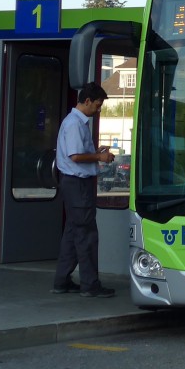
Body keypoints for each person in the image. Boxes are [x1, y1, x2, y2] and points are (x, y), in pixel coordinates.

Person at [52, 82, 117, 297]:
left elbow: (78, 153)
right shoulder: (74, 124)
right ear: (87, 101)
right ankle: (90, 285)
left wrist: (95, 152)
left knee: (72, 233)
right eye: (97, 105)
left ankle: (62, 281)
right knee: (87, 235)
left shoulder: (76, 123)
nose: (98, 110)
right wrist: (99, 157)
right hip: (78, 185)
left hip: (75, 184)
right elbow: (75, 156)